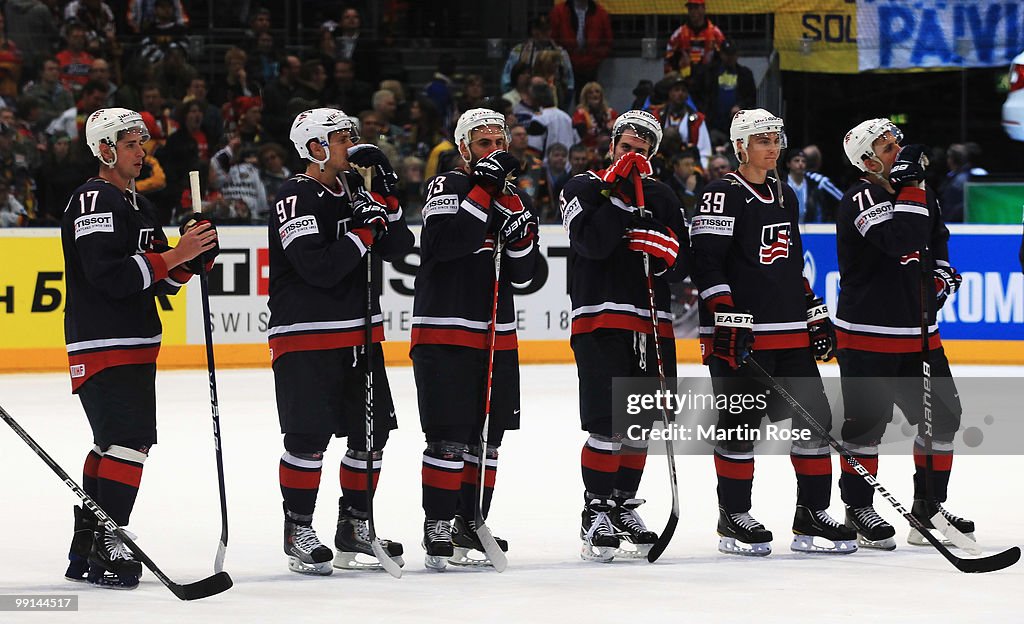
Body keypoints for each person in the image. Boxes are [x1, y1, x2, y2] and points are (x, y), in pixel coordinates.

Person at [60, 107, 218, 588]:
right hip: (103, 338)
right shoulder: (93, 200)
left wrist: (195, 255)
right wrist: (177, 255)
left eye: (141, 142)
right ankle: (112, 539)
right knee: (130, 440)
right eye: (130, 143)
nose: (140, 150)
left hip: (134, 340)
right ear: (104, 148)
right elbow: (109, 276)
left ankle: (88, 540)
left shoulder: (138, 206)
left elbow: (160, 282)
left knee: (112, 442)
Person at [690, 109, 855, 557]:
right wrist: (724, 314)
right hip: (740, 338)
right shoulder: (720, 194)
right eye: (762, 139)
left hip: (790, 334)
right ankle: (733, 515)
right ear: (741, 147)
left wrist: (814, 311)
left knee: (815, 424)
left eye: (776, 138)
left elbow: (790, 263)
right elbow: (705, 262)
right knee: (740, 429)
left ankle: (811, 515)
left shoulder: (785, 194)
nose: (773, 146)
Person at [267, 108, 414, 575]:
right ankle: (298, 528)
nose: (351, 144)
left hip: (361, 335)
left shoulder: (356, 190)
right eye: (340, 137)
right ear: (313, 147)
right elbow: (319, 268)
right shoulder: (295, 195)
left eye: (353, 135)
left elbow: (400, 247)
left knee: (371, 437)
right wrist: (366, 228)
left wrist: (386, 200)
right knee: (308, 438)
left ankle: (355, 524)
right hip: (306, 335)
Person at [558, 110, 688, 562]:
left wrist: (667, 250)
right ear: (612, 144)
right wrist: (615, 195)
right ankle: (594, 510)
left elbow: (684, 261)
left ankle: (619, 505)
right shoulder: (582, 186)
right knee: (605, 423)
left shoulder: (662, 194)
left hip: (652, 322)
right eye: (628, 145)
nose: (635, 153)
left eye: (643, 147)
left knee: (640, 423)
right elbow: (589, 244)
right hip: (599, 319)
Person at [412, 108, 539, 570]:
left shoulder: (514, 198)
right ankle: (438, 524)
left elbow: (526, 275)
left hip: (496, 336)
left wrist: (520, 235)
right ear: (464, 149)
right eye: (483, 144)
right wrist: (484, 189)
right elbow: (447, 244)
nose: (494, 151)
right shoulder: (447, 185)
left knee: (488, 439)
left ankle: (471, 520)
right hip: (445, 330)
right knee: (448, 437)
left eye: (499, 143)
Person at [835, 119, 971, 550]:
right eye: (886, 145)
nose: (898, 148)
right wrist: (910, 183)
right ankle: (858, 509)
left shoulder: (921, 193)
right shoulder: (860, 198)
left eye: (896, 141)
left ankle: (927, 509)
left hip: (921, 336)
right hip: (868, 335)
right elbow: (900, 239)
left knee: (943, 419)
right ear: (866, 159)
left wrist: (943, 277)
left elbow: (936, 242)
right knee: (866, 427)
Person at [664, 0, 725, 76]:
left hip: (709, 78)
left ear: (703, 9)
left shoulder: (715, 33)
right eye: (690, 8)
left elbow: (724, 57)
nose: (693, 11)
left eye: (696, 8)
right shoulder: (679, 33)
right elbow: (668, 56)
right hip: (685, 79)